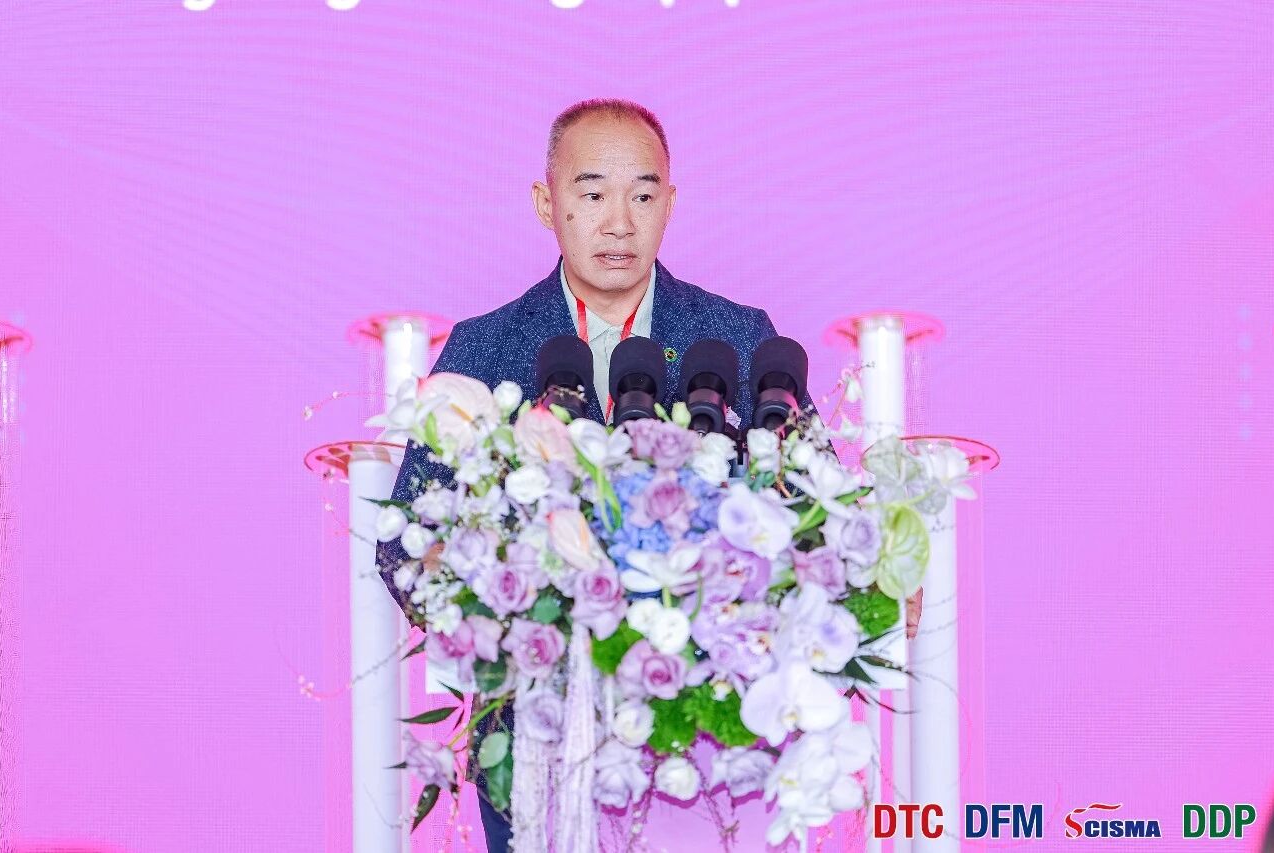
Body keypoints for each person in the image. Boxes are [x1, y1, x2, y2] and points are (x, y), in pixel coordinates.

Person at [376, 97, 918, 853]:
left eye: (642, 195)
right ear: (546, 204)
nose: (619, 223)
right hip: (537, 737)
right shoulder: (485, 347)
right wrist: (493, 616)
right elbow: (405, 544)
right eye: (592, 193)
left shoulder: (737, 337)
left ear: (670, 204)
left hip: (709, 746)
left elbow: (814, 516)